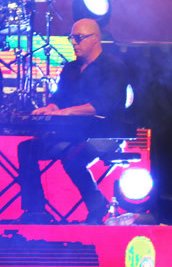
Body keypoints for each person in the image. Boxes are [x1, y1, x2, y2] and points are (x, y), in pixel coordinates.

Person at [16, 19, 128, 224]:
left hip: (106, 136)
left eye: (78, 38)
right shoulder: (70, 68)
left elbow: (104, 105)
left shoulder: (113, 67)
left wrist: (67, 112)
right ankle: (35, 211)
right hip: (73, 135)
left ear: (94, 39)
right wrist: (51, 108)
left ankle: (97, 207)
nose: (74, 42)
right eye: (71, 38)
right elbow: (59, 98)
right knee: (26, 149)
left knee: (73, 158)